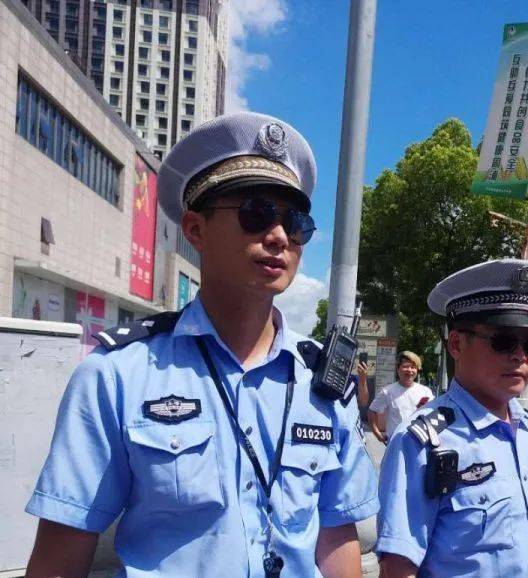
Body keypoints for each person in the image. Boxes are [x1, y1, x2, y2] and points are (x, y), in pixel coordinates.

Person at [23, 112, 378, 578]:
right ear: (195, 230)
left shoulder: (323, 383)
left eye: (295, 222)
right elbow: (60, 557)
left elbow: (337, 540)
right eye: (256, 214)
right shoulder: (118, 374)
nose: (278, 237)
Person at [375, 259, 528, 577]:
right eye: (503, 341)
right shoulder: (421, 442)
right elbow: (399, 566)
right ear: (456, 344)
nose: (520, 355)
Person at [368, 351, 434, 443]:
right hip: (395, 444)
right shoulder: (387, 391)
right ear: (398, 368)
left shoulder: (425, 392)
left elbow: (433, 415)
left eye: (413, 367)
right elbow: (372, 411)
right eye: (405, 366)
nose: (410, 370)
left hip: (420, 444)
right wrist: (377, 434)